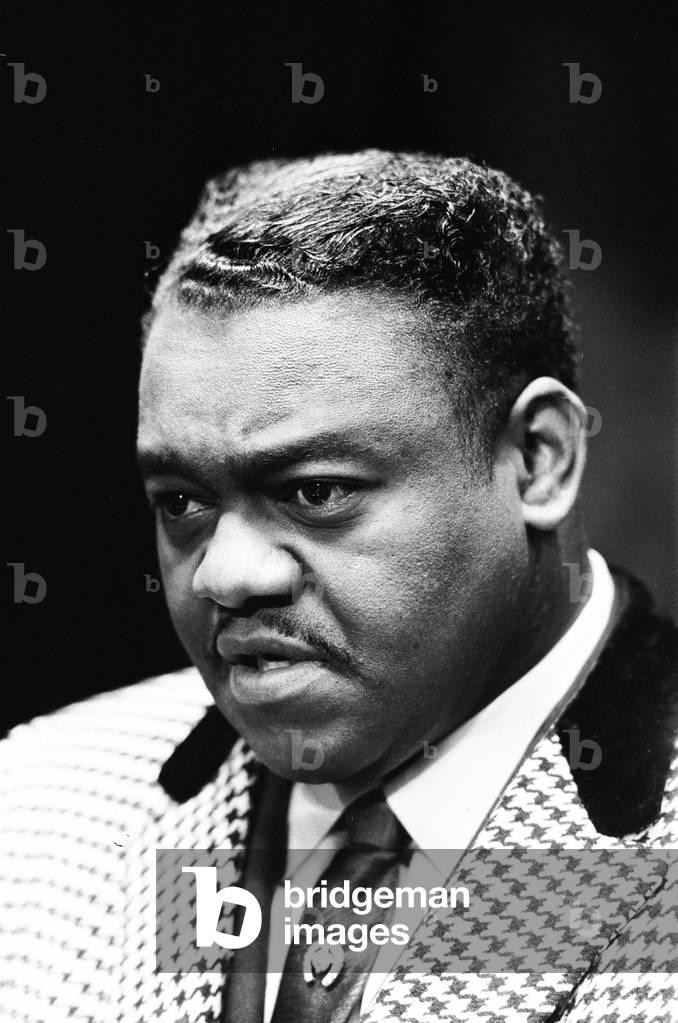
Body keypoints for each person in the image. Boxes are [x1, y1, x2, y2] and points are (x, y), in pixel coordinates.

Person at [1, 150, 676, 1023]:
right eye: (181, 502)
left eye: (316, 491)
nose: (225, 573)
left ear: (539, 458)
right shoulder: (38, 805)